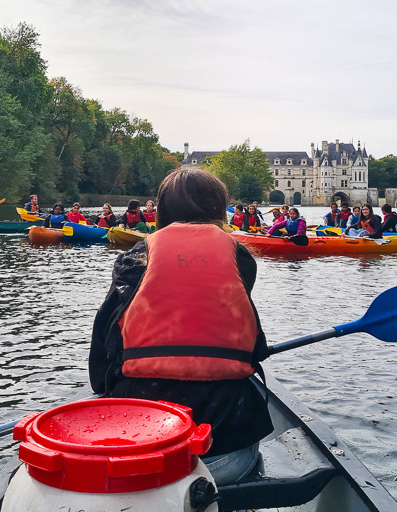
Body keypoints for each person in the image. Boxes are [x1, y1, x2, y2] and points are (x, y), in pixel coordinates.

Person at [88, 167, 272, 485]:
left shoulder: (134, 258)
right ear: (218, 209)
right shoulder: (240, 257)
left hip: (144, 448)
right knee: (247, 461)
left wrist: (102, 390)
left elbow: (103, 338)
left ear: (162, 211)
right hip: (225, 453)